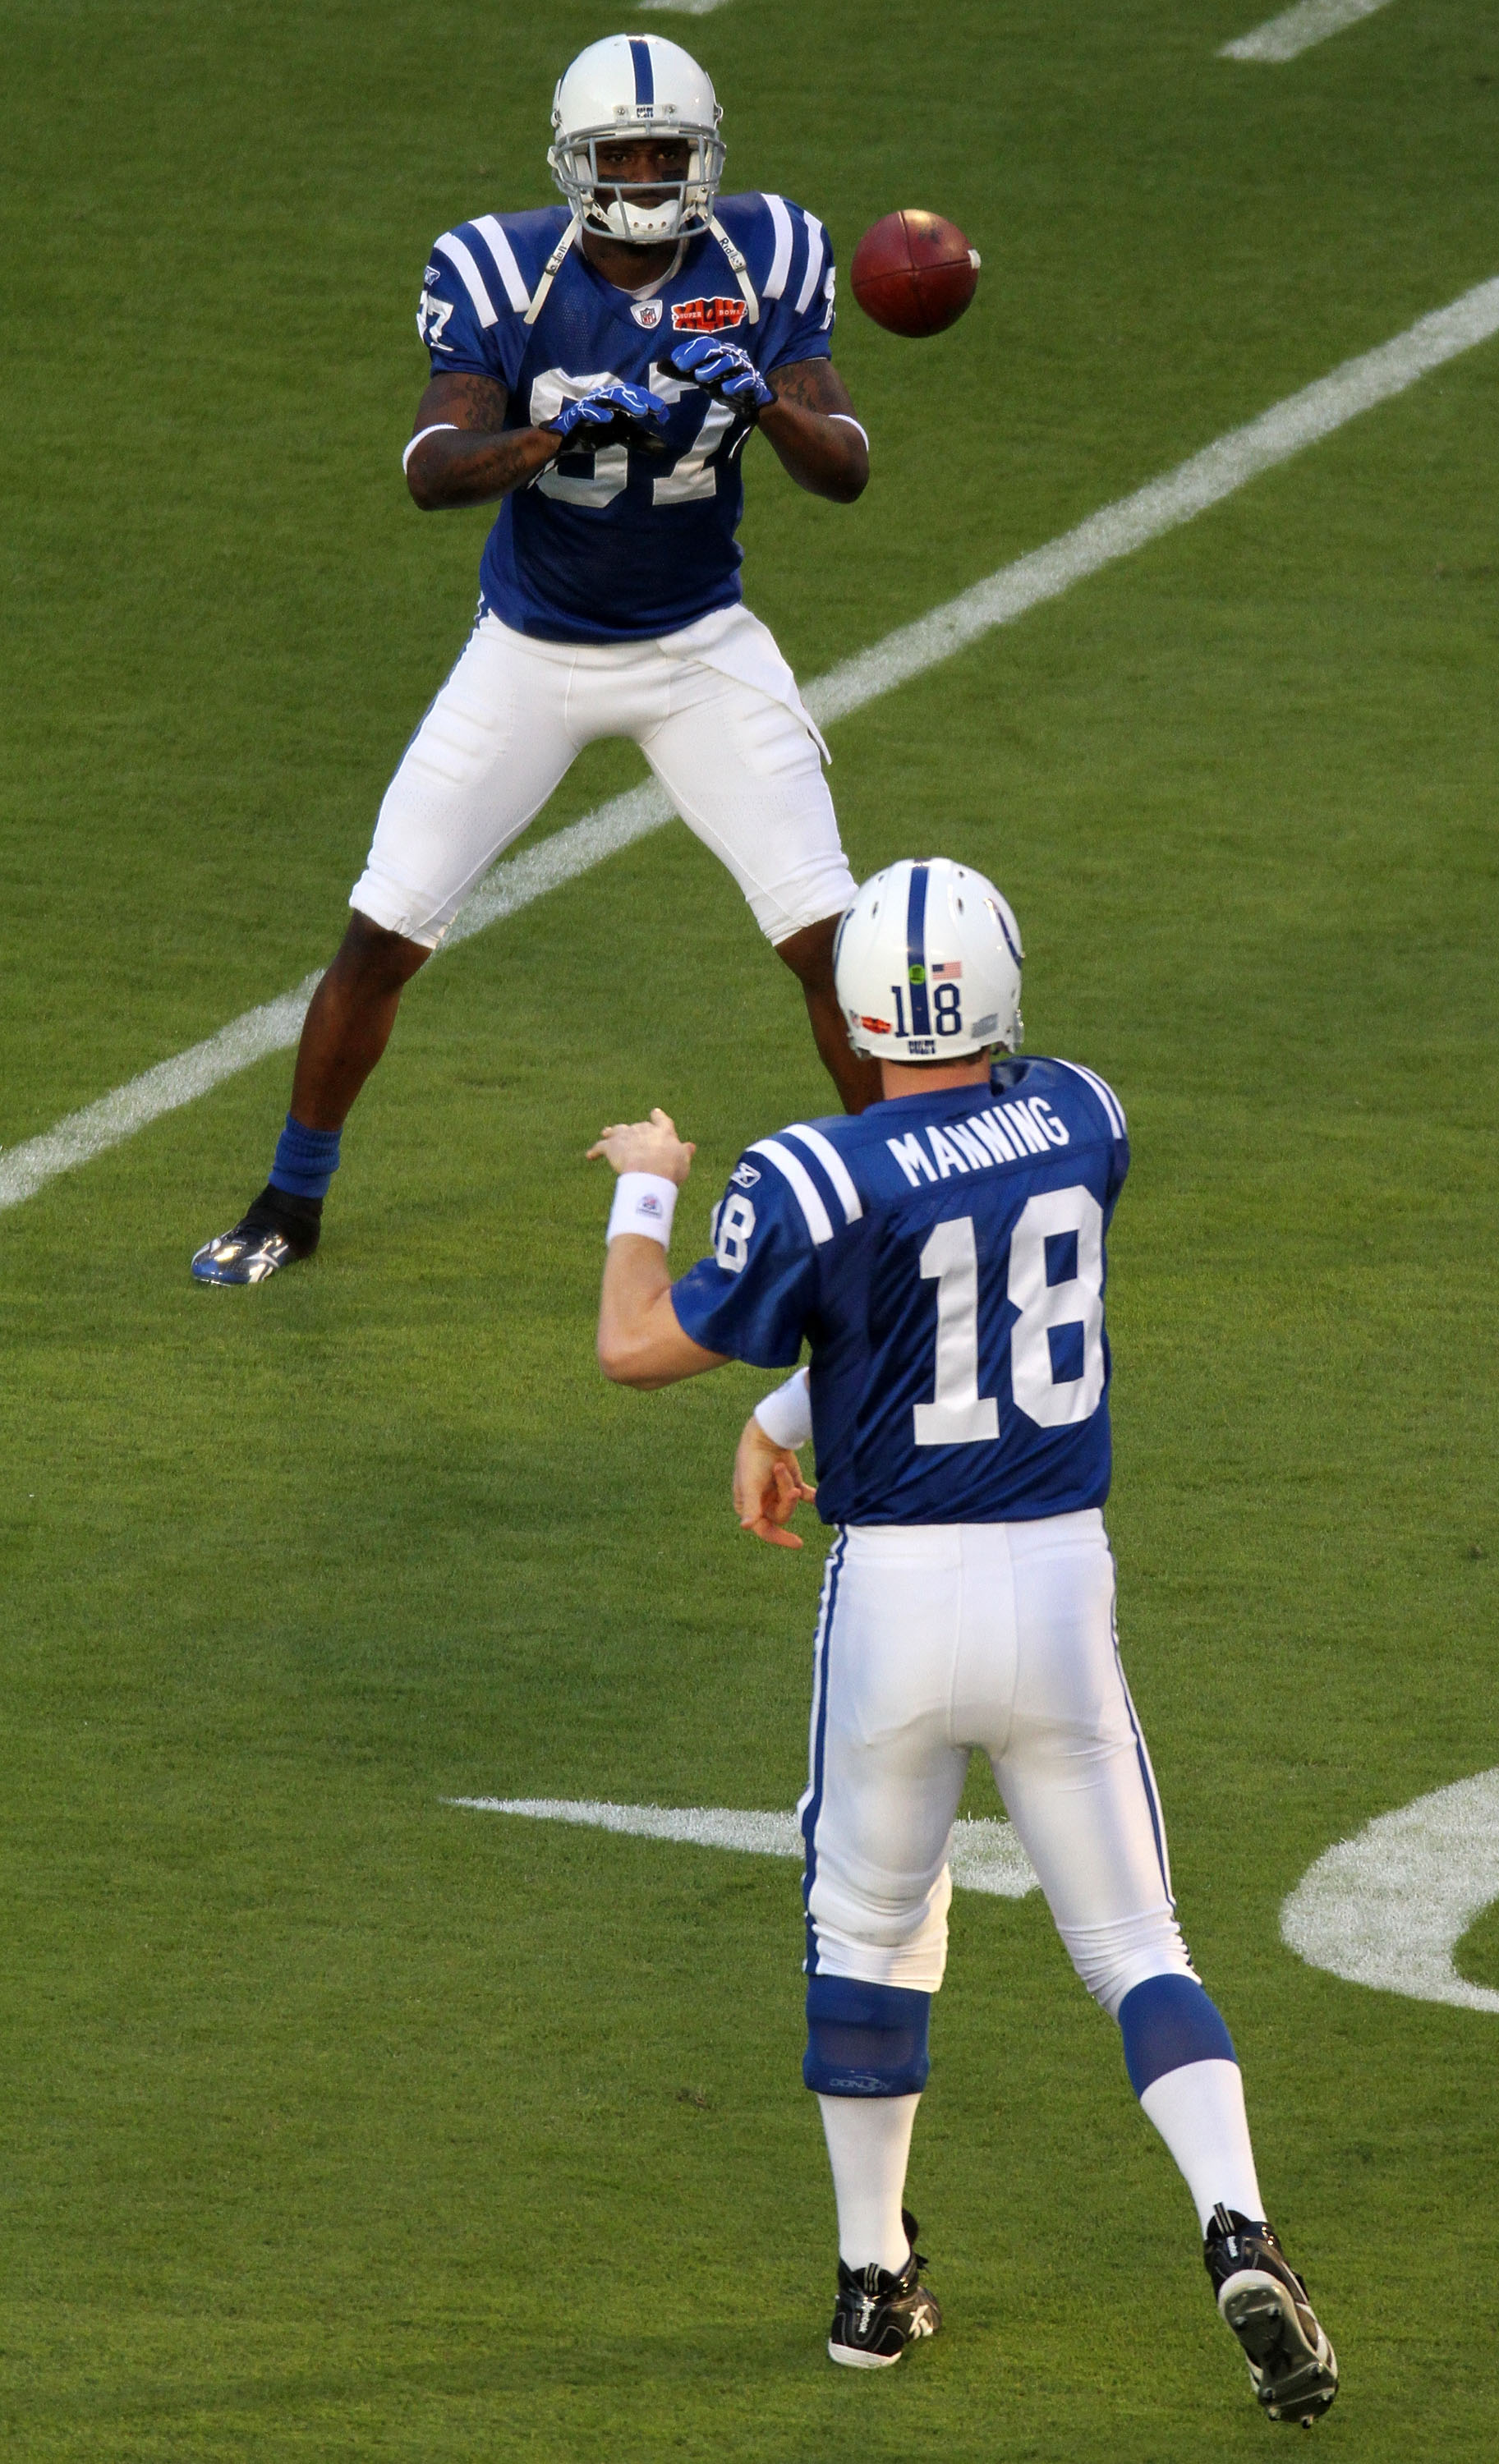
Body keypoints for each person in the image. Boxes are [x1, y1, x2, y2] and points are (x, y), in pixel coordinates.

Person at [586, 857, 1339, 2422]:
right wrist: (792, 1405)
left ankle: (873, 2280)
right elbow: (969, 1289)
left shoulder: (816, 1172)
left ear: (860, 1010)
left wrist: (649, 1182)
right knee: (1140, 1948)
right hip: (1060, 1586)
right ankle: (1233, 2223)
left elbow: (635, 1345)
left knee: (867, 1931)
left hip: (898, 1600)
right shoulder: (1084, 1113)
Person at [193, 30, 874, 1287]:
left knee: (830, 939)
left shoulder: (767, 249)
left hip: (700, 648)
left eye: (672, 150)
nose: (655, 173)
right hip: (531, 653)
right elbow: (430, 471)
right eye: (627, 152)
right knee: (383, 932)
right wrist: (553, 433)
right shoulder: (502, 269)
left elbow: (845, 466)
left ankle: (908, 1186)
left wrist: (766, 400)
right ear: (577, 161)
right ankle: (292, 1198)